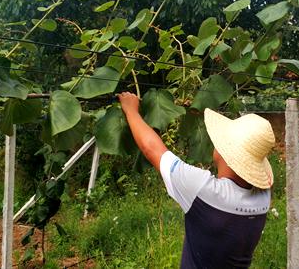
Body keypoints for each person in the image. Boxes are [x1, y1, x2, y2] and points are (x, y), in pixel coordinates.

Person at [118, 91, 276, 268]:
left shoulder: (205, 191)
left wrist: (131, 110)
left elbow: (151, 149)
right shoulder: (263, 198)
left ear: (227, 153)